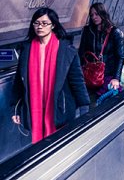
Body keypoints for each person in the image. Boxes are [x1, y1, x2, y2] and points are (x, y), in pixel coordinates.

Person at [12, 8, 90, 144]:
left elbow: (77, 81)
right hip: (34, 107)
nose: (39, 26)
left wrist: (85, 108)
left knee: (60, 145)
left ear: (53, 25)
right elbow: (19, 82)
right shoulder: (26, 49)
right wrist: (16, 109)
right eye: (36, 23)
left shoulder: (66, 51)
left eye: (44, 23)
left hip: (58, 107)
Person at [78, 2, 124, 96]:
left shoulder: (115, 32)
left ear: (103, 13)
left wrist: (116, 78)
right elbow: (81, 53)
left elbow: (120, 57)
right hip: (90, 75)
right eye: (91, 15)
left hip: (107, 75)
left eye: (97, 14)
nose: (94, 17)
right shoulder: (88, 31)